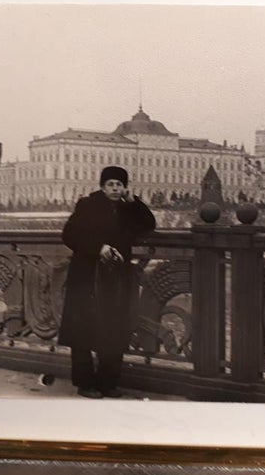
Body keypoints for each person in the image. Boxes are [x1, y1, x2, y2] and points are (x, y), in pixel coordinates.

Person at [58, 166, 156, 398]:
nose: (115, 188)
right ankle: (85, 383)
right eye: (110, 184)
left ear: (124, 188)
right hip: (87, 275)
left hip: (114, 277)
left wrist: (135, 202)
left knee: (113, 328)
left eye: (119, 185)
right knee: (83, 329)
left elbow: (149, 224)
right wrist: (98, 248)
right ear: (102, 186)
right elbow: (69, 235)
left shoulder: (127, 208)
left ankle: (107, 383)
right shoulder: (87, 205)